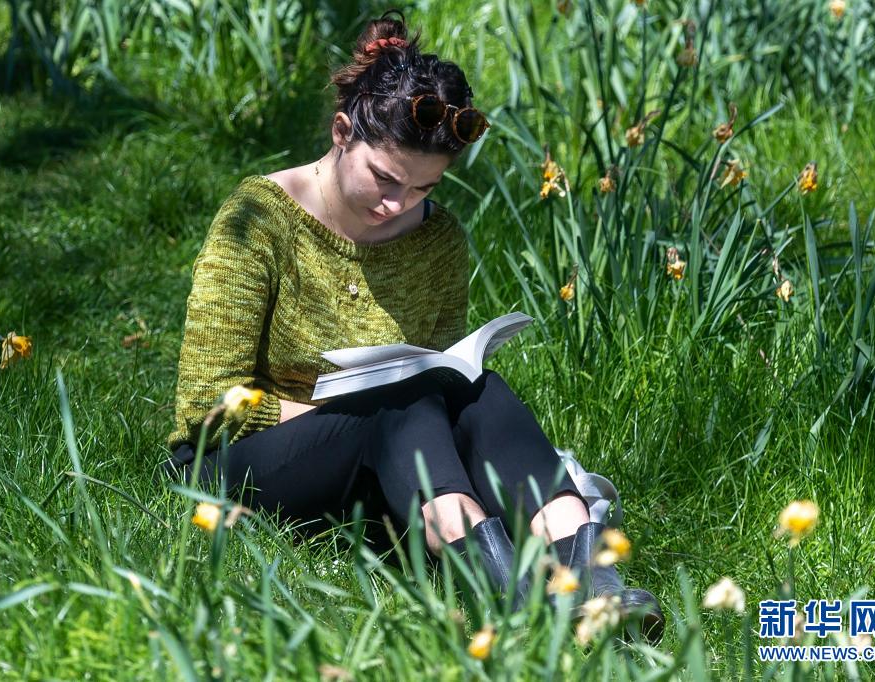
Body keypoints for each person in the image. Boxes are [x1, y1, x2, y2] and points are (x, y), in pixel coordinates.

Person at [162, 9, 663, 643]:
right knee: (399, 405)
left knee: (475, 391)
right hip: (237, 463)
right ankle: (513, 598)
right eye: (385, 178)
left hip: (383, 462)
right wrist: (336, 411)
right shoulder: (260, 219)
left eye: (423, 188)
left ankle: (589, 573)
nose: (396, 204)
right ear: (342, 132)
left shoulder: (438, 239)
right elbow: (205, 406)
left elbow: (440, 388)